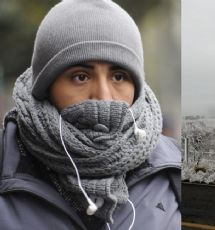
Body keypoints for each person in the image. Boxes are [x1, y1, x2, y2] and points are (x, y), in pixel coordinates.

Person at [0, 0, 181, 229]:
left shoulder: (173, 169)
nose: (103, 96)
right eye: (81, 77)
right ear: (45, 87)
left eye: (119, 77)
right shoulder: (6, 162)